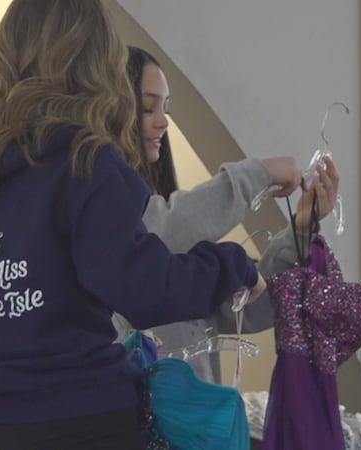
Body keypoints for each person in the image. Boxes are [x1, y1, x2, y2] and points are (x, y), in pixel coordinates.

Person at [0, 1, 273, 449]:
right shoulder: (82, 163)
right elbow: (148, 290)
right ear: (97, 61)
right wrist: (233, 264)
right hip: (84, 424)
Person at [115, 46, 340, 384]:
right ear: (114, 109)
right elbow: (157, 230)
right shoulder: (109, 223)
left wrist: (299, 232)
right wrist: (256, 174)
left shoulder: (174, 233)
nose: (163, 121)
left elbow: (249, 306)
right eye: (148, 108)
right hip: (135, 428)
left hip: (199, 427)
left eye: (166, 107)